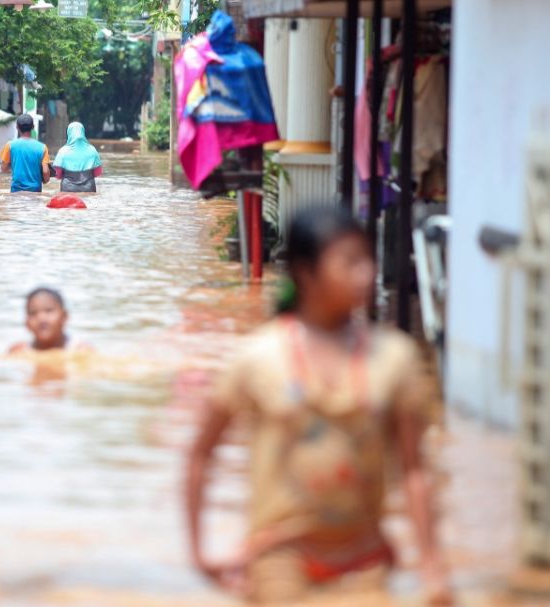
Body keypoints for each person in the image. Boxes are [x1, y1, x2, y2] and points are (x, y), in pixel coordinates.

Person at [184, 205, 450, 605]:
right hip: (278, 560)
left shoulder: (395, 358)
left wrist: (432, 568)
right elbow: (201, 454)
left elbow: (415, 470)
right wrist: (199, 554)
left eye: (367, 261)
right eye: (350, 262)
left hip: (365, 561)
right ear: (306, 273)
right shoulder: (258, 357)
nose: (366, 275)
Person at [9, 287, 91, 353]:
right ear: (26, 323)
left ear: (64, 316)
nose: (41, 319)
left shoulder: (81, 351)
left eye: (49, 310)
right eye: (33, 313)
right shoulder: (19, 351)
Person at [0, 114, 50, 193]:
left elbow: (3, 169)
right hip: (35, 191)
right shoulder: (43, 148)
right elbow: (46, 172)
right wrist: (46, 180)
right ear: (33, 127)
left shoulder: (9, 145)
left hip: (16, 191)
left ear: (17, 127)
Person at [52, 122, 103, 193]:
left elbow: (57, 175)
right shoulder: (92, 150)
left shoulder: (62, 151)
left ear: (68, 133)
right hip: (88, 188)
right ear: (83, 133)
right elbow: (98, 173)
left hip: (68, 189)